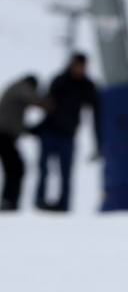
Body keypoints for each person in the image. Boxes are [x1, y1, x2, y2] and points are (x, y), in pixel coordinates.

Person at [35, 52, 101, 212]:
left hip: (68, 135)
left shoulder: (86, 85)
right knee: (44, 169)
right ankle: (40, 202)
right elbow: (48, 104)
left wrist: (99, 140)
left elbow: (96, 107)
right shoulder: (60, 80)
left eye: (83, 67)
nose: (80, 69)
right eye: (78, 66)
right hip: (50, 132)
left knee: (66, 172)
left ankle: (63, 206)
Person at [0, 73, 46, 211]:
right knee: (16, 167)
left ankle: (10, 201)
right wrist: (47, 103)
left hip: (6, 135)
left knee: (14, 167)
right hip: (3, 135)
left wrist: (28, 130)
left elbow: (14, 119)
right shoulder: (21, 87)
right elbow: (33, 98)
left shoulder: (14, 88)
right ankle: (9, 202)